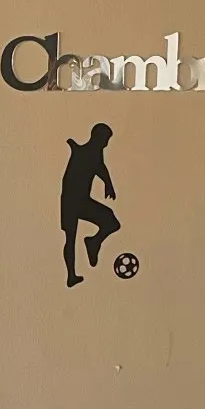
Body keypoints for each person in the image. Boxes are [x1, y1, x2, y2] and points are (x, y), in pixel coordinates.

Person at [60, 122, 120, 287]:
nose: (106, 144)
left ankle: (93, 242)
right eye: (106, 140)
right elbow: (96, 166)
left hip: (82, 201)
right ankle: (71, 275)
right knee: (70, 238)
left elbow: (100, 167)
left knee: (112, 222)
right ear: (98, 138)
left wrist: (108, 183)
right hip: (70, 202)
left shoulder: (95, 152)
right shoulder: (88, 152)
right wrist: (108, 183)